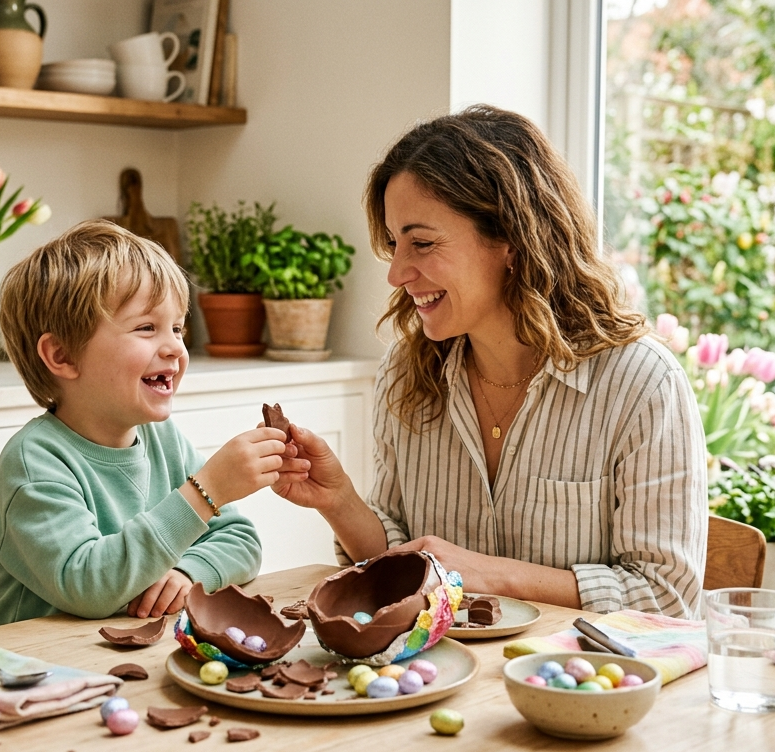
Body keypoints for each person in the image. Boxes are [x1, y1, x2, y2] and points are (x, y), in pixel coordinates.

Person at [274, 105, 707, 619]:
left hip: (578, 686)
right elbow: (399, 564)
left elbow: (666, 597)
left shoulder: (642, 384)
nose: (396, 273)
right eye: (394, 244)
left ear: (511, 238)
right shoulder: (406, 373)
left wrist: (485, 573)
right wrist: (339, 499)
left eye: (423, 242)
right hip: (444, 680)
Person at [0, 220, 292, 627]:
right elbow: (88, 585)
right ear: (62, 356)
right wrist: (206, 491)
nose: (175, 348)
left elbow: (241, 540)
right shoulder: (34, 462)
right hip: (38, 676)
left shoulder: (163, 440)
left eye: (178, 328)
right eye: (147, 328)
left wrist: (188, 572)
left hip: (121, 666)